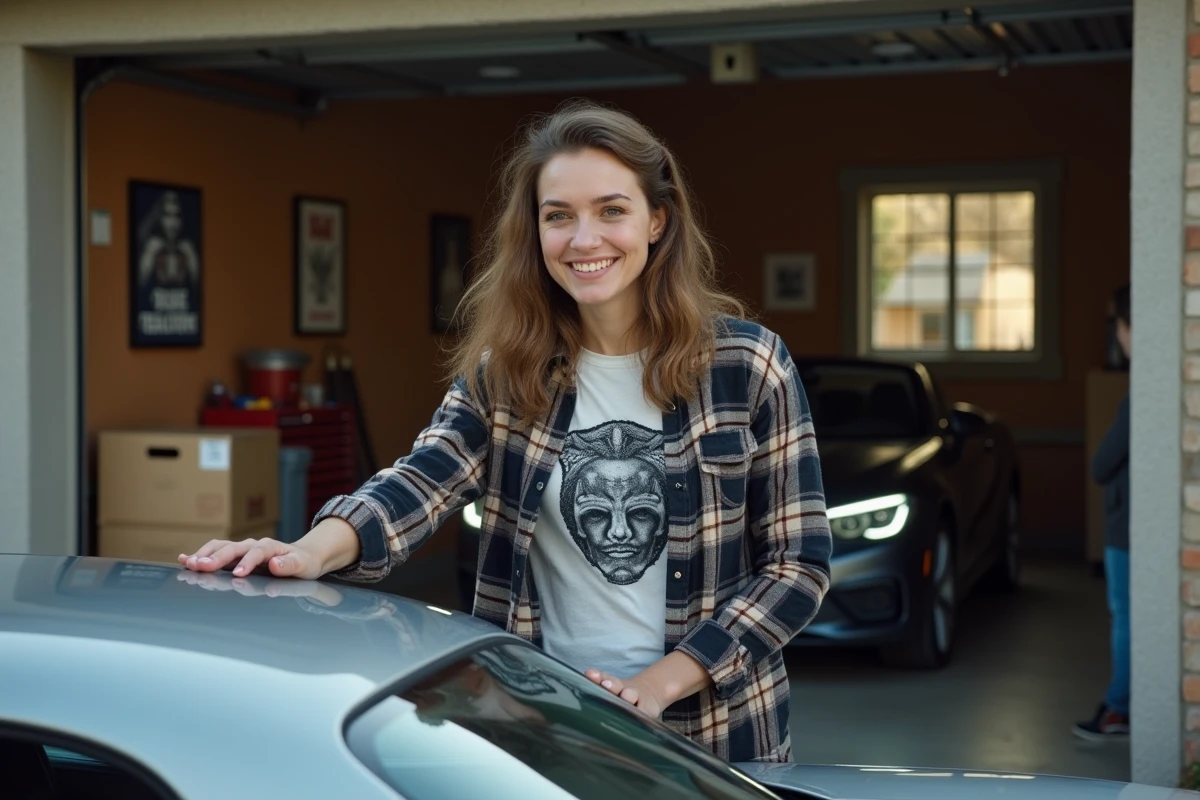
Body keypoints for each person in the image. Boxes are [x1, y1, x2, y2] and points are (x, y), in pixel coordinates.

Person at [180, 100, 832, 763]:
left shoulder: (747, 367)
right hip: (543, 723)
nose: (584, 240)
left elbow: (798, 567)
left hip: (717, 734)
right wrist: (309, 552)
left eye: (611, 210)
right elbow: (422, 479)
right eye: (559, 216)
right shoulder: (510, 371)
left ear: (657, 220)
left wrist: (660, 685)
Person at [1073, 282, 1131, 742]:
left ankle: (1119, 707)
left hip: (1125, 530)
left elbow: (1101, 463)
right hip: (1127, 525)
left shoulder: (1140, 396)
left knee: (1126, 616)